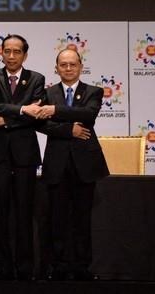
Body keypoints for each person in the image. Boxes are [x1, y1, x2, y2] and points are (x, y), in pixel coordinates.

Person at [38, 49, 109, 281]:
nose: (68, 69)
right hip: (56, 163)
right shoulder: (48, 93)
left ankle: (82, 267)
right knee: (56, 219)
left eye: (72, 64)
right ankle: (57, 266)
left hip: (85, 165)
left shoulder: (94, 91)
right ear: (56, 67)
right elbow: (41, 125)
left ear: (80, 66)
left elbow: (88, 114)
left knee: (82, 219)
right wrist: (70, 129)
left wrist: (56, 111)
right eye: (63, 65)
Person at [0, 34, 46, 280]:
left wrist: (6, 121)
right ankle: (4, 269)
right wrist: (20, 110)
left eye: (16, 51)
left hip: (25, 154)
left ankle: (25, 269)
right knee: (0, 212)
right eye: (7, 51)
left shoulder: (37, 79)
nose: (11, 56)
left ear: (24, 55)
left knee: (24, 212)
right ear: (1, 52)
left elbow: (35, 114)